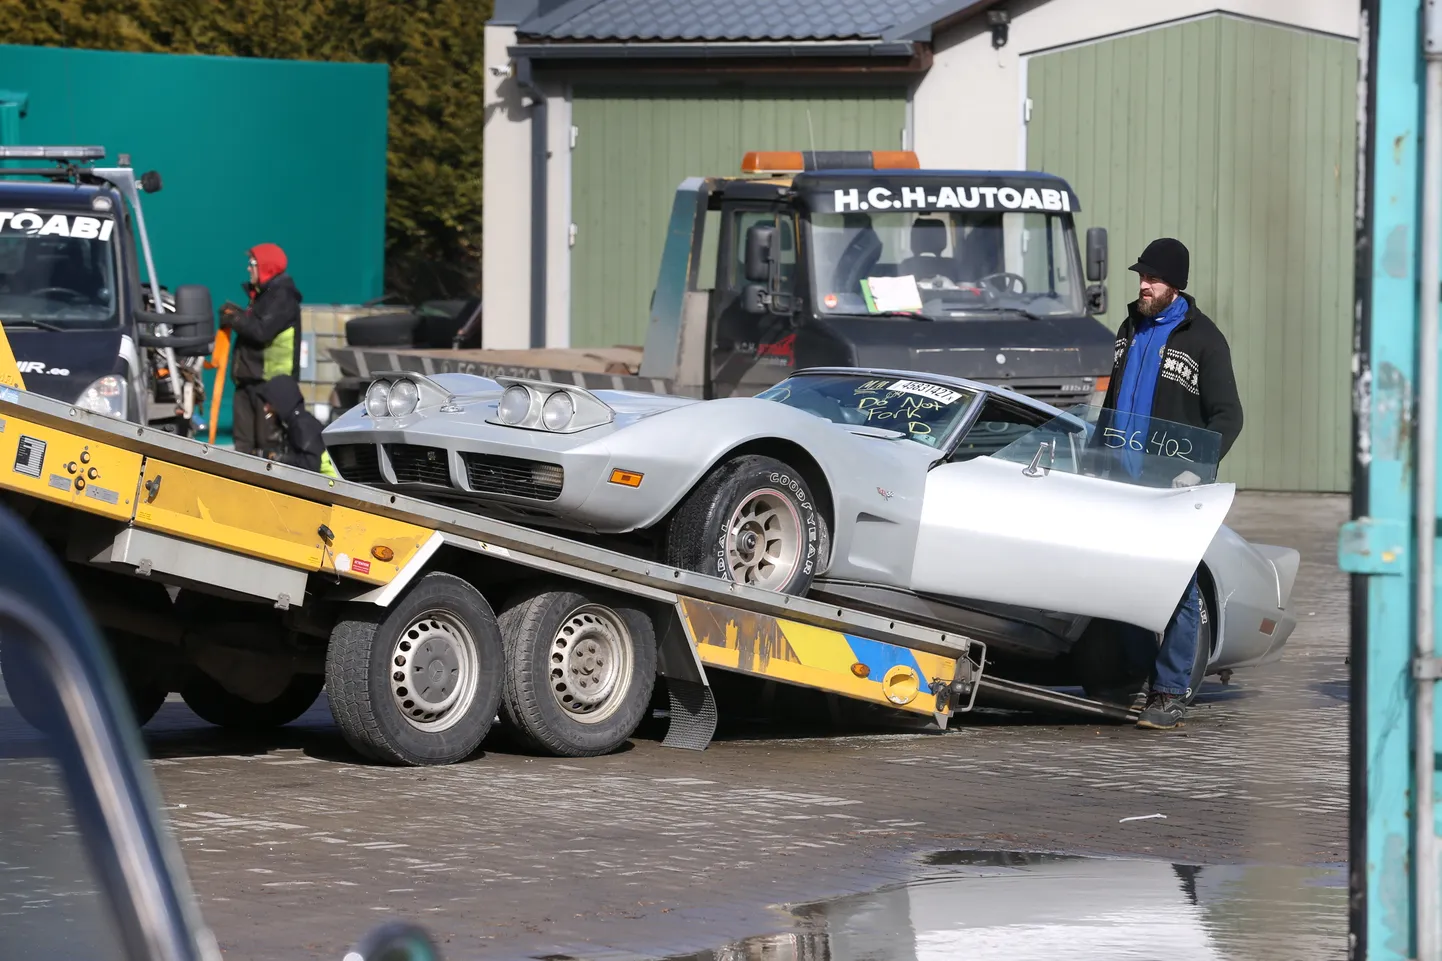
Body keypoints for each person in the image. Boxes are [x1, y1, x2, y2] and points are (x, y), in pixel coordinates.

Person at [1097, 237, 1243, 731]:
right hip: (1123, 482)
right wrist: (1096, 462)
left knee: (1176, 587)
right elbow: (1113, 402)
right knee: (1120, 583)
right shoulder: (1128, 328)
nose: (1144, 284)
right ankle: (1134, 676)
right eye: (1141, 276)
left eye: (1153, 278)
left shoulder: (1204, 339)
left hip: (1175, 486)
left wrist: (1198, 467)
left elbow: (1230, 415)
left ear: (1175, 284)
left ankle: (1171, 691)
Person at [221, 243, 302, 456]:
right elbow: (255, 323)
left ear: (267, 266)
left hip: (271, 384)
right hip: (249, 380)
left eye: (252, 264)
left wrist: (234, 318)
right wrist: (235, 315)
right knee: (243, 447)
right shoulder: (263, 294)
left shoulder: (282, 296)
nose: (248, 268)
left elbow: (261, 331)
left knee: (269, 448)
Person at [256, 374, 338, 478]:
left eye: (269, 403)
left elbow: (310, 466)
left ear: (281, 401)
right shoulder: (296, 422)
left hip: (331, 485)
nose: (266, 409)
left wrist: (279, 459)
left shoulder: (303, 425)